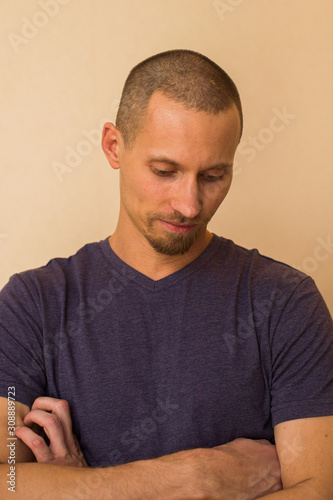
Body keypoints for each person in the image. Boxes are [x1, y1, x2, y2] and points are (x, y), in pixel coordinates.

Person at [0, 49, 333, 499]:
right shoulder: (32, 305)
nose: (190, 204)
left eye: (214, 175)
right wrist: (194, 477)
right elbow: (8, 481)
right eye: (165, 171)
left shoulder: (286, 303)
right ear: (114, 147)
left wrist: (73, 488)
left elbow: (318, 492)